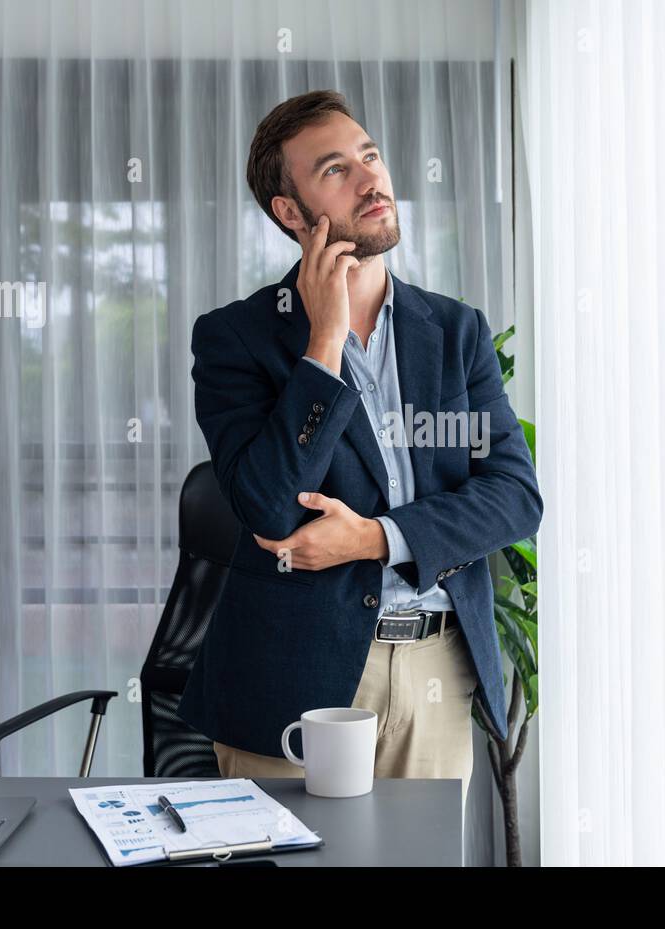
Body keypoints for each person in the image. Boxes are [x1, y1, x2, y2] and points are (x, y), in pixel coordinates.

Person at [177, 89, 542, 808]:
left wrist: (377, 538)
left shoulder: (456, 332)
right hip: (292, 677)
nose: (372, 179)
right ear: (291, 211)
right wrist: (323, 345)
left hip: (436, 667)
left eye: (370, 156)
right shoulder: (236, 339)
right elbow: (270, 509)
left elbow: (514, 496)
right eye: (336, 170)